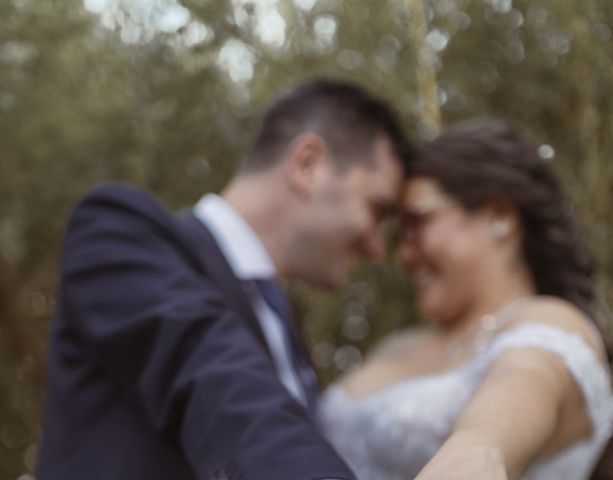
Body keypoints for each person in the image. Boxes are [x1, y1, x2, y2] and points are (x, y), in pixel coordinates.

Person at [37, 78, 411, 480]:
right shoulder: (120, 233)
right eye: (377, 209)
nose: (377, 247)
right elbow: (226, 388)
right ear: (308, 165)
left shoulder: (286, 330)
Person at [319, 118, 613, 480]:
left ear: (498, 215)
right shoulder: (395, 345)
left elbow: (524, 381)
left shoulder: (550, 323)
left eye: (417, 222)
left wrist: (476, 451)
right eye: (398, 234)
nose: (403, 253)